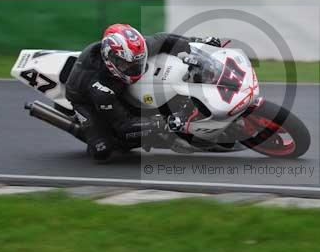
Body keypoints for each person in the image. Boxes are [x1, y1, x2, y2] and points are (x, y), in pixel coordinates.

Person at [65, 23, 221, 161]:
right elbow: (123, 124)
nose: (135, 68)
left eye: (138, 61)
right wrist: (162, 122)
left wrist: (198, 42)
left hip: (113, 85)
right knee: (103, 150)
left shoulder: (133, 50)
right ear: (110, 59)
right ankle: (91, 131)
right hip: (83, 99)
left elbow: (165, 39)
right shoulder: (101, 88)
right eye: (127, 65)